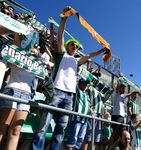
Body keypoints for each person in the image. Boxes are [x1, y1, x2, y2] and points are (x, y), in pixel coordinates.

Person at [31, 6, 108, 150]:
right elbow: (60, 35)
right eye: (73, 44)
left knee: (61, 129)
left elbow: (89, 56)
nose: (75, 47)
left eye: (77, 46)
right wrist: (64, 19)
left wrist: (102, 50)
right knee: (44, 125)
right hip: (57, 92)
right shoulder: (61, 54)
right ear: (67, 46)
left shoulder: (77, 61)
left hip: (69, 96)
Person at [0, 19, 38, 149]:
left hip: (27, 95)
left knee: (16, 131)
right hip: (12, 89)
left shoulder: (38, 59)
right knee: (2, 128)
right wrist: (22, 26)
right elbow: (17, 39)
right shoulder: (17, 49)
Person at [108, 78, 139, 148]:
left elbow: (128, 94)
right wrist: (120, 81)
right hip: (116, 116)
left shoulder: (122, 95)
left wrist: (133, 92)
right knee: (116, 133)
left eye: (124, 87)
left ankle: (113, 147)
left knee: (119, 134)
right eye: (122, 87)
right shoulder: (116, 93)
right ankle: (109, 147)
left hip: (121, 117)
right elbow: (118, 88)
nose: (123, 88)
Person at [82, 84, 109, 150]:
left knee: (96, 140)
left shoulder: (101, 91)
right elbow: (86, 97)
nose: (98, 77)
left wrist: (105, 111)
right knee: (88, 138)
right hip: (93, 114)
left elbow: (102, 102)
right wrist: (90, 109)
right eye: (97, 75)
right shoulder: (90, 86)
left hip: (100, 116)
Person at [66, 78, 91, 150]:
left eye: (86, 84)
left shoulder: (86, 94)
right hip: (76, 118)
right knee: (73, 138)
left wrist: (91, 111)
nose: (85, 85)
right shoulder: (76, 90)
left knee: (80, 139)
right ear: (79, 84)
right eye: (83, 83)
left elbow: (89, 105)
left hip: (85, 120)